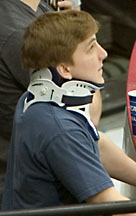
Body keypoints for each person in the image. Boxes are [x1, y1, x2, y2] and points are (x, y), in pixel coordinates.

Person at [1, 10, 136, 215]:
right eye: (91, 47)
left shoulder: (37, 100)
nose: (104, 53)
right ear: (65, 69)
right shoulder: (60, 130)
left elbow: (96, 144)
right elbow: (109, 202)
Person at [0, 0, 86, 204]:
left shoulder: (37, 9)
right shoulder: (19, 34)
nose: (103, 53)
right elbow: (87, 116)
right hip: (37, 192)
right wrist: (78, 40)